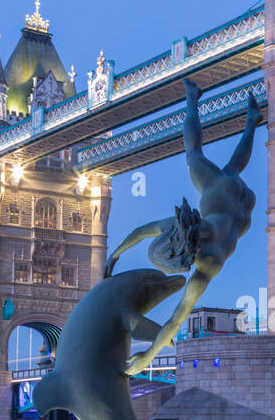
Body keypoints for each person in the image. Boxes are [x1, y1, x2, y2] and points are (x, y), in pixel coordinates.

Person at [105, 78, 262, 376]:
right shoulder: (187, 228)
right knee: (194, 155)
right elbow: (142, 232)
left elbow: (175, 320)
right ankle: (192, 97)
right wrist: (115, 254)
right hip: (222, 195)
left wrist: (147, 357)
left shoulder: (207, 265)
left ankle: (249, 120)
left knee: (228, 167)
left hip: (244, 211)